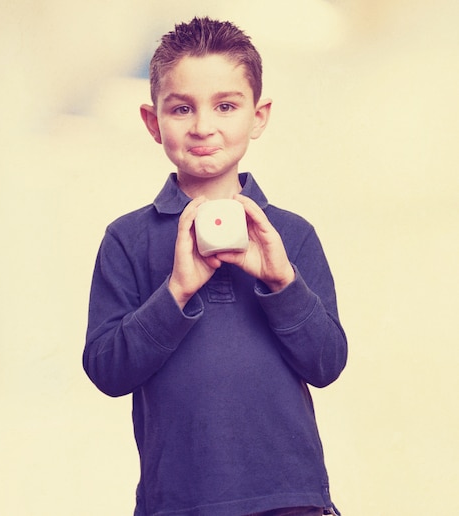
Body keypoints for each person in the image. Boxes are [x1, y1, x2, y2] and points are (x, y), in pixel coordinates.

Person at [83, 16, 347, 516]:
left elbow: (327, 363)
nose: (203, 126)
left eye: (226, 105)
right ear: (152, 121)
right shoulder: (127, 239)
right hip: (180, 503)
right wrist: (176, 292)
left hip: (291, 500)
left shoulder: (292, 235)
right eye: (181, 108)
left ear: (259, 116)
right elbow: (107, 370)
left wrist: (281, 282)